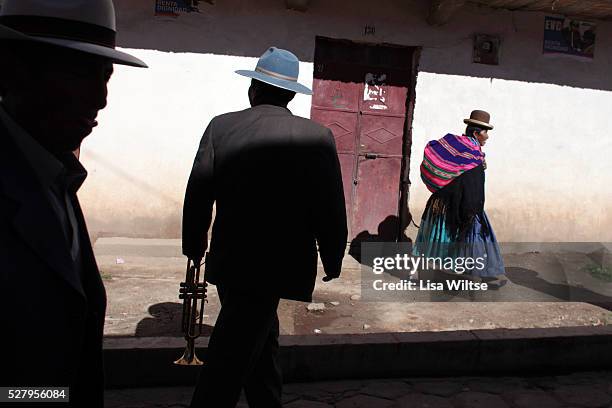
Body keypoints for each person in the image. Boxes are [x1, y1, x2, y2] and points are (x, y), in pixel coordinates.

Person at [183, 47, 348, 408]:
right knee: (244, 346)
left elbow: (198, 191)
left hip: (231, 259)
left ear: (253, 88)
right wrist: (333, 255)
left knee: (245, 342)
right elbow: (330, 204)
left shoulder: (221, 126)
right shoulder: (316, 135)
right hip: (280, 264)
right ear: (291, 94)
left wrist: (194, 243)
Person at [0, 1, 147, 406]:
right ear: (12, 68)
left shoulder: (56, 174)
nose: (100, 99)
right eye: (81, 71)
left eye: (106, 76)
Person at [414, 110, 505, 284]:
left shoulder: (455, 145)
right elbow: (471, 184)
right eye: (485, 133)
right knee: (473, 237)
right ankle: (478, 274)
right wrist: (473, 210)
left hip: (440, 203)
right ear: (475, 133)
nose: (487, 137)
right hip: (461, 204)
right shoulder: (474, 155)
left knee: (432, 238)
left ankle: (420, 273)